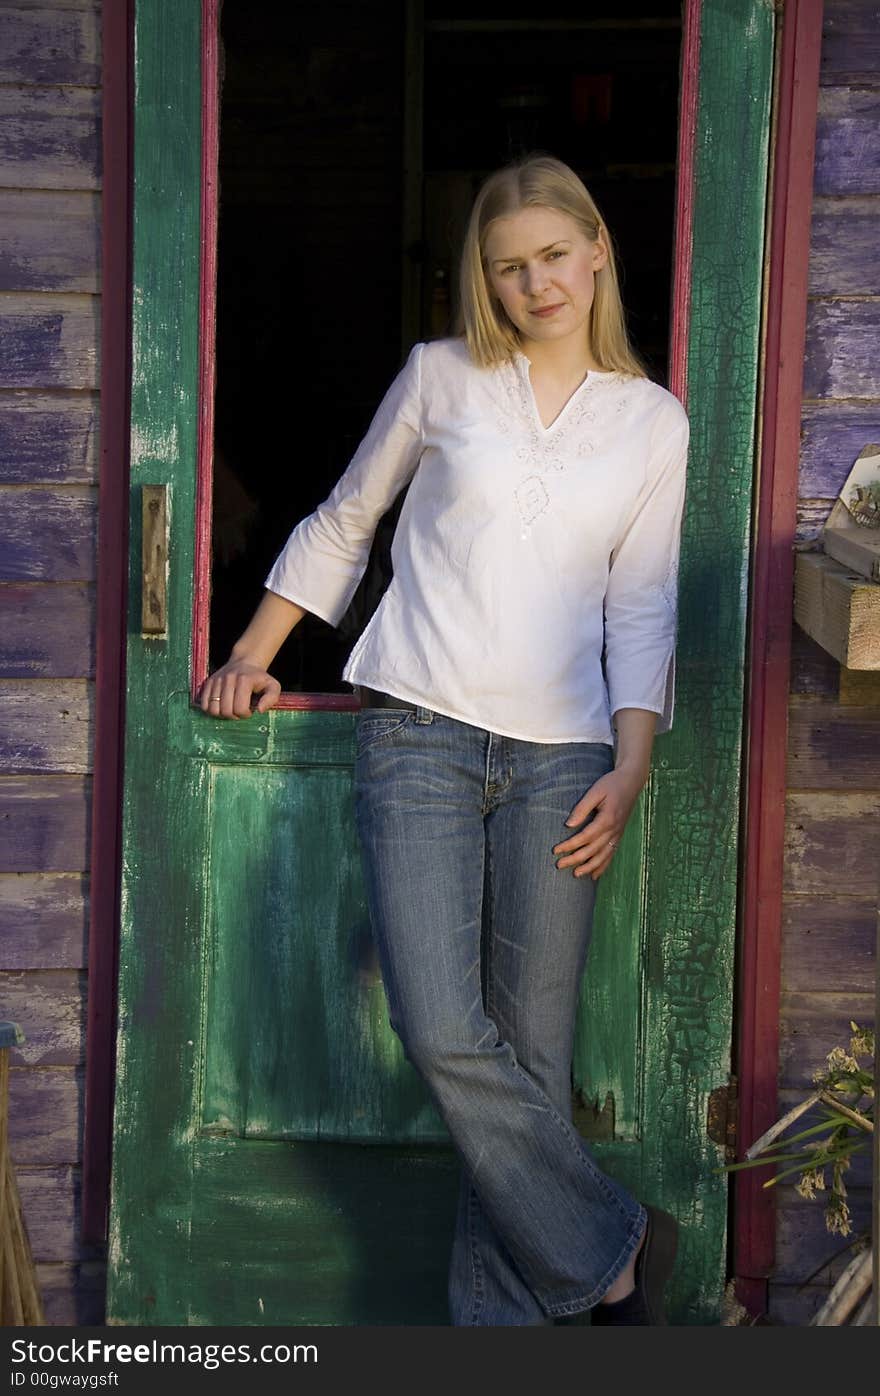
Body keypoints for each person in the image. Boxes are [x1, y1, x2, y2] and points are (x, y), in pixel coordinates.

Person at [198, 153, 688, 1326]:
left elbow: (644, 603)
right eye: (509, 265)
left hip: (564, 758)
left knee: (524, 1058)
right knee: (435, 1023)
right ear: (487, 276)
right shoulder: (441, 377)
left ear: (597, 250)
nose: (536, 283)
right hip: (418, 731)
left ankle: (502, 1327)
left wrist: (630, 768)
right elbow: (346, 521)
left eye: (554, 256)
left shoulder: (650, 422)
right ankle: (612, 1245)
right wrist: (254, 652)